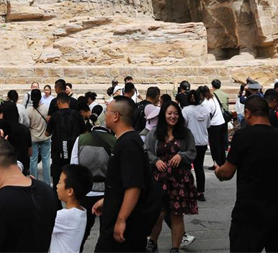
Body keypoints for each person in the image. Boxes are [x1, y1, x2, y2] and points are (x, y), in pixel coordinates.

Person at [215, 95, 278, 252]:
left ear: (248, 113)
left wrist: (218, 170)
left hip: (250, 213)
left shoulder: (242, 137)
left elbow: (227, 173)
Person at [92, 96, 159, 252]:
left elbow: (134, 185)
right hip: (120, 215)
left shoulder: (128, 144)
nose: (105, 115)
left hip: (127, 224)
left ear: (116, 116)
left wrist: (121, 220)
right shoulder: (128, 140)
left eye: (107, 111)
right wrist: (107, 199)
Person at [144, 101, 197, 253]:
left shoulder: (186, 133)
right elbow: (146, 151)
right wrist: (156, 160)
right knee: (157, 214)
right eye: (169, 113)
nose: (173, 116)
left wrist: (182, 156)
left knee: (176, 216)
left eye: (175, 113)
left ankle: (175, 248)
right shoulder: (154, 133)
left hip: (179, 180)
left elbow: (192, 152)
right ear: (163, 115)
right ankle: (152, 243)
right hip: (159, 179)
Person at [71, 121, 116, 251]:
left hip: (86, 193)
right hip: (106, 194)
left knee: (81, 232)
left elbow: (74, 166)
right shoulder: (115, 141)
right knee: (106, 233)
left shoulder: (81, 139)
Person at [47, 92, 87, 187]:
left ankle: (57, 197)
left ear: (59, 102)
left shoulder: (55, 115)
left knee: (57, 176)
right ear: (68, 101)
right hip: (74, 149)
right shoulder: (76, 114)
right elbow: (85, 131)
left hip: (58, 150)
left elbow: (47, 132)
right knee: (74, 174)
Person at [51, 164, 92, 253]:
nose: (57, 186)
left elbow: (37, 220)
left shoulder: (66, 216)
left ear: (70, 191)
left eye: (59, 182)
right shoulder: (81, 211)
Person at [182, 89, 210, 201]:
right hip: (202, 141)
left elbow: (183, 125)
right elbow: (208, 125)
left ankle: (188, 189)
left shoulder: (186, 110)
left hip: (190, 142)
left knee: (187, 167)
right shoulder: (205, 110)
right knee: (199, 167)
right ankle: (200, 191)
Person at [0, 100, 32, 174]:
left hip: (4, 168)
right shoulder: (25, 129)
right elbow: (30, 152)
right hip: (22, 169)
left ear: (3, 114)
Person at [28, 88, 52, 185]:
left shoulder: (29, 110)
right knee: (46, 160)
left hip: (33, 137)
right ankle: (47, 182)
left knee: (33, 160)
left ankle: (34, 182)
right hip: (45, 136)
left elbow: (27, 124)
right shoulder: (46, 107)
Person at [201, 85, 227, 168]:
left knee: (214, 146)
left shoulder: (206, 102)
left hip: (214, 125)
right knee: (221, 144)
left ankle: (217, 163)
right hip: (221, 122)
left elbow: (206, 115)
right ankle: (223, 161)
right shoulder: (213, 98)